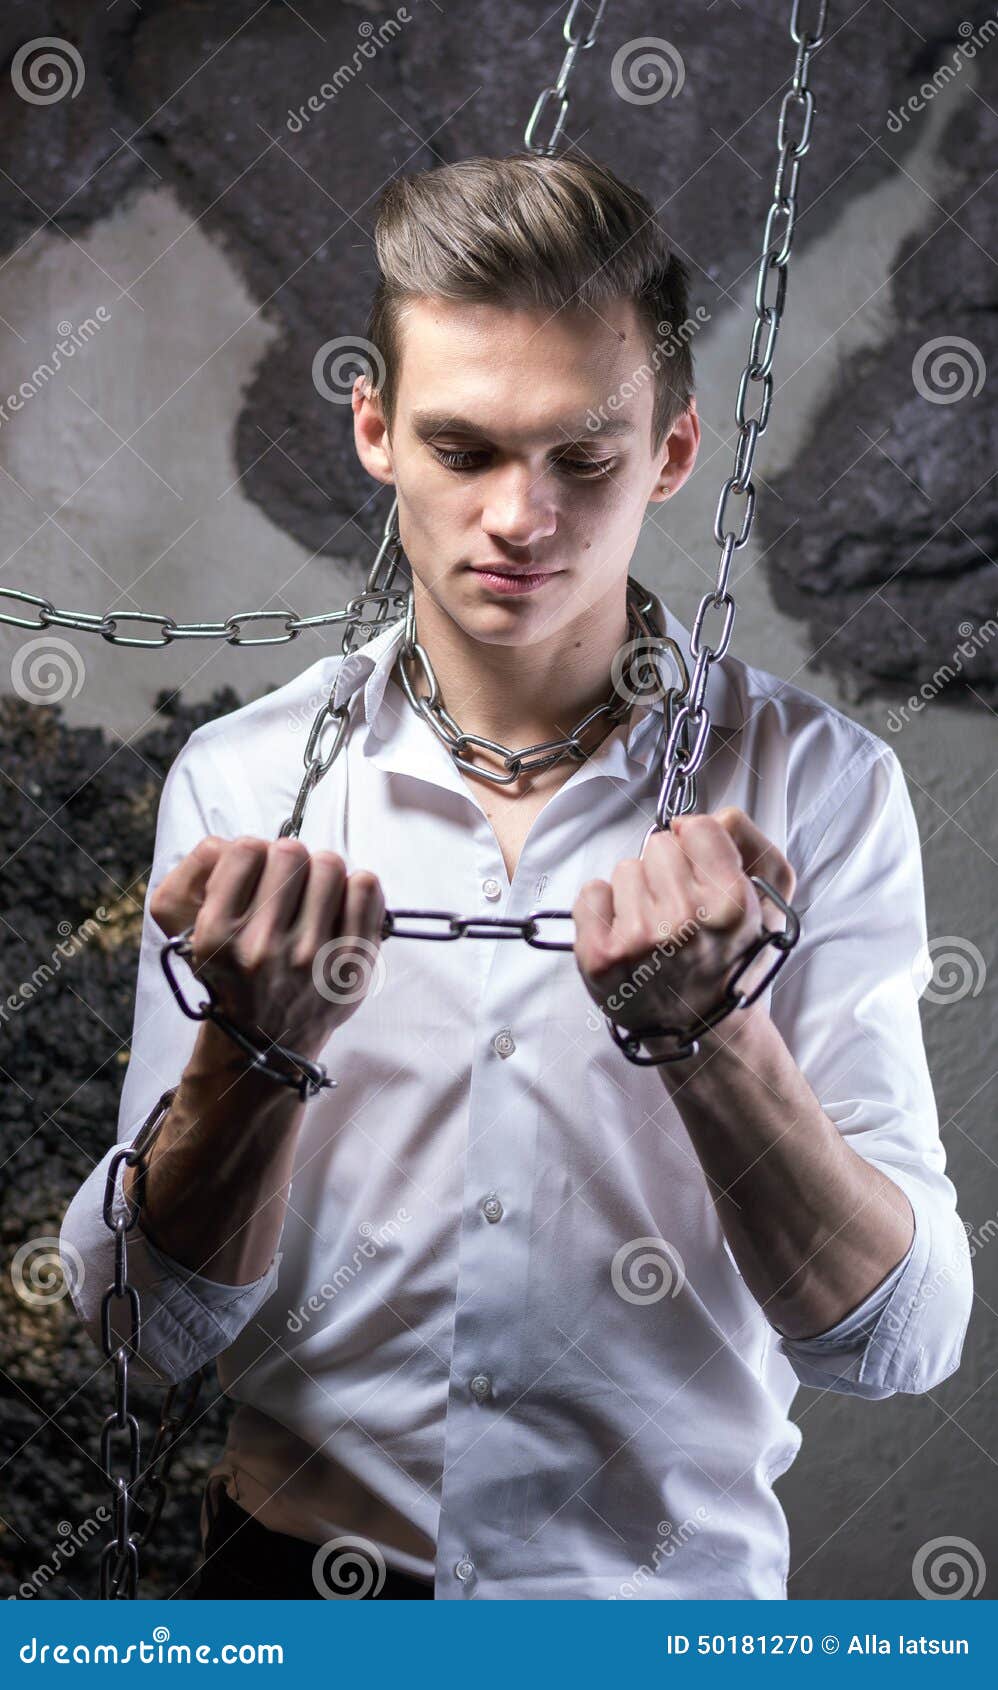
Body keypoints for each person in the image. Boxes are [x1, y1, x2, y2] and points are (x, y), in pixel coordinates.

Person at [61, 152, 972, 1602]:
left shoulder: (820, 787)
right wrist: (252, 1054)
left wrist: (712, 1042)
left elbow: (895, 1339)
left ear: (671, 451)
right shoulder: (248, 783)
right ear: (375, 432)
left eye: (581, 458)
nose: (518, 517)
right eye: (464, 448)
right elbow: (132, 1330)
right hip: (294, 1597)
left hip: (654, 1613)